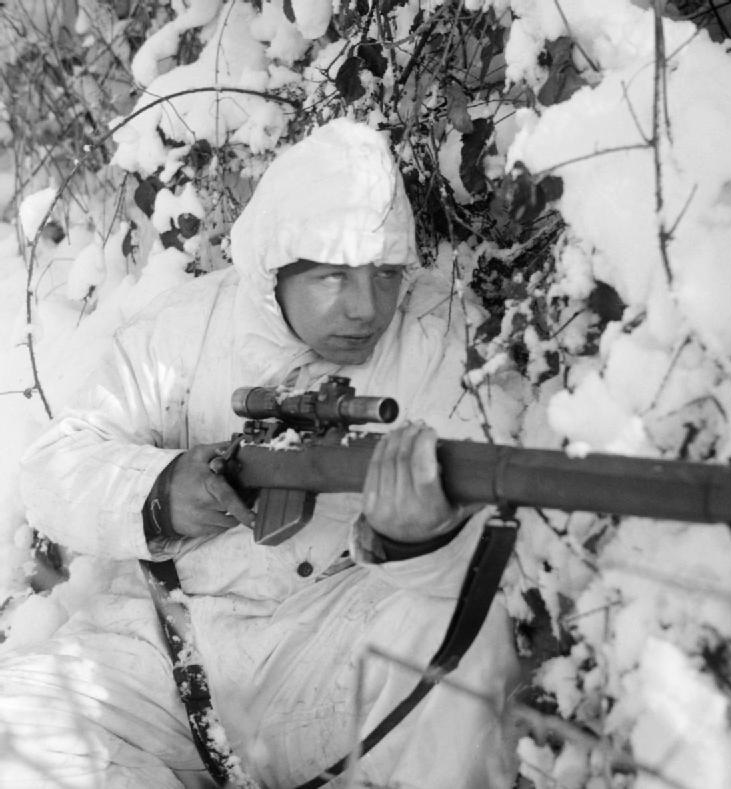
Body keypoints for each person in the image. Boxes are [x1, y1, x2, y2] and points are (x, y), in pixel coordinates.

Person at [0, 119, 521, 788]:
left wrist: (419, 542)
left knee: (464, 637)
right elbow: (52, 467)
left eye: (386, 274)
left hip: (322, 661)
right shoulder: (185, 328)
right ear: (278, 266)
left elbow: (497, 547)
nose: (366, 307)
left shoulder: (438, 338)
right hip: (149, 654)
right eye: (333, 276)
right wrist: (160, 490)